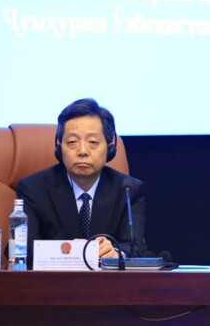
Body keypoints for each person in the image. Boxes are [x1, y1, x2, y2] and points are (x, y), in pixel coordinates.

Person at [16, 98, 145, 265]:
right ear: (59, 147)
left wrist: (117, 253)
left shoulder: (128, 190)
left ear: (110, 148)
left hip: (107, 281)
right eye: (72, 142)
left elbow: (135, 248)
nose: (82, 151)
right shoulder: (32, 189)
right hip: (53, 280)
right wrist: (69, 251)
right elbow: (20, 249)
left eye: (93, 142)